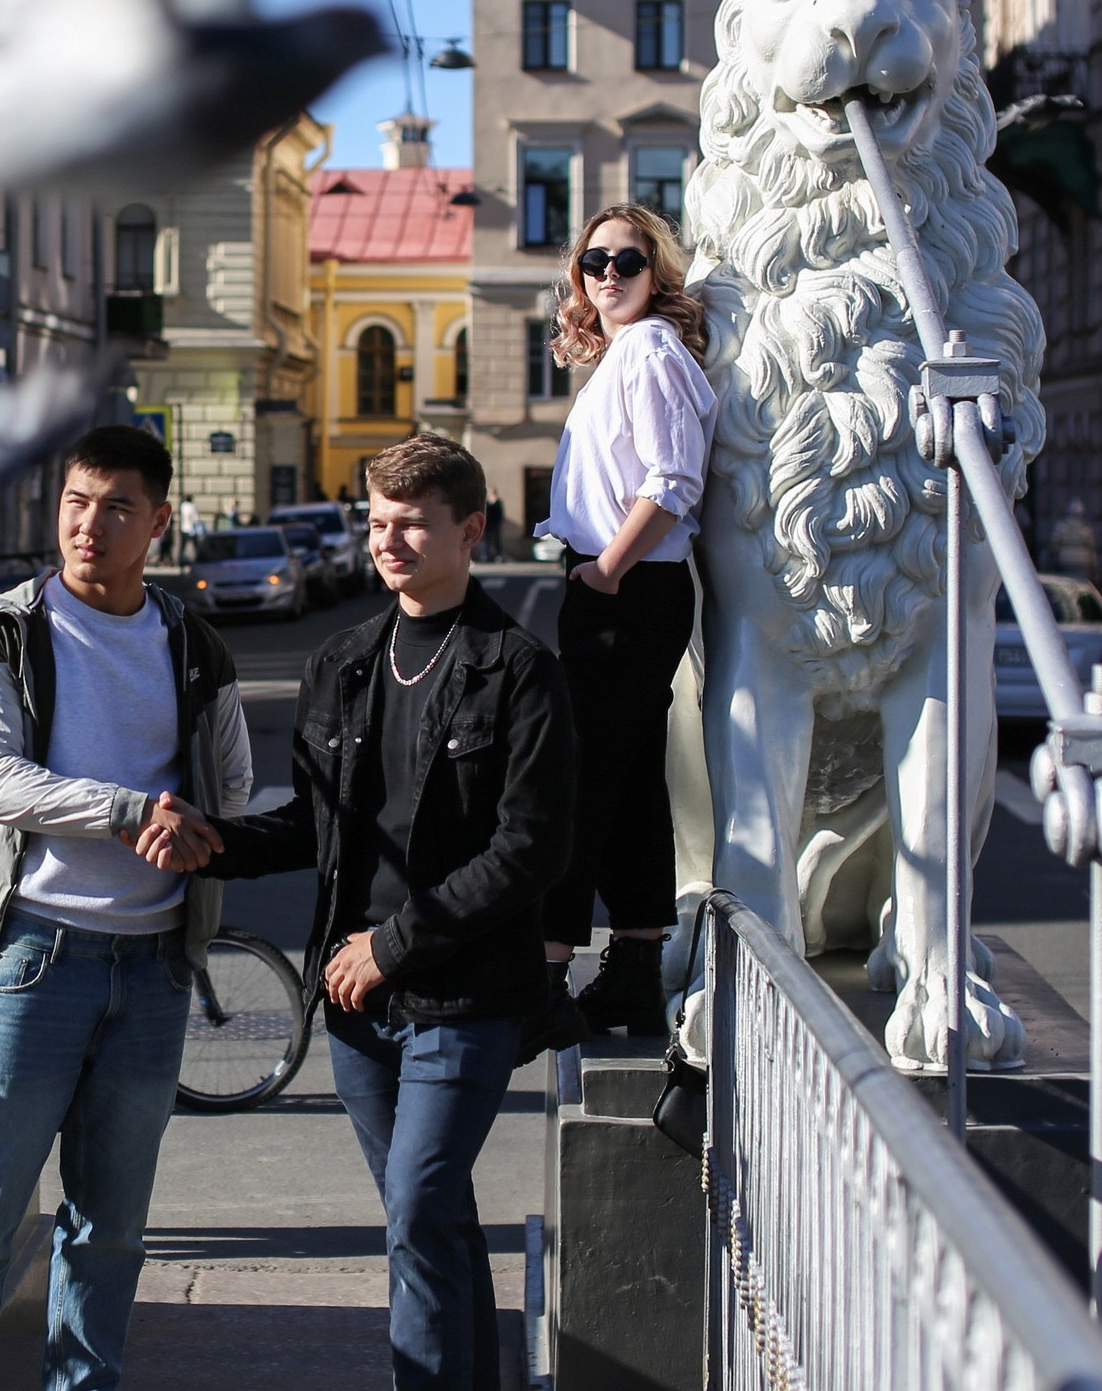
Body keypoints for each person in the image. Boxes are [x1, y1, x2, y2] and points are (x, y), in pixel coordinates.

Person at [188, 433, 575, 1391]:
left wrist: (394, 946)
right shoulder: (344, 661)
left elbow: (529, 850)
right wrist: (210, 839)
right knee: (429, 1218)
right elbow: (316, 824)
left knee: (418, 1203)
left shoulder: (518, 669)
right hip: (359, 1004)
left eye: (411, 524)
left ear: (470, 530)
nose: (387, 542)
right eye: (376, 522)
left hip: (465, 993)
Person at [0, 424, 253, 1391]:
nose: (88, 525)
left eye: (115, 507)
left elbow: (231, 781)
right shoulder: (2, 630)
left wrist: (200, 829)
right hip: (35, 956)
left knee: (112, 1225)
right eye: (76, 502)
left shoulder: (193, 644)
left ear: (159, 521)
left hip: (155, 967)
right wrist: (129, 810)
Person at [532, 204, 715, 1040]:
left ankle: (546, 973)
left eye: (628, 261)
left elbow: (673, 479)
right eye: (594, 261)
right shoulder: (626, 355)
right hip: (628, 587)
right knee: (633, 776)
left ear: (656, 273)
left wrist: (607, 568)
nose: (608, 273)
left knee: (573, 777)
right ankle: (636, 969)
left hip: (629, 587)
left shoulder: (650, 350)